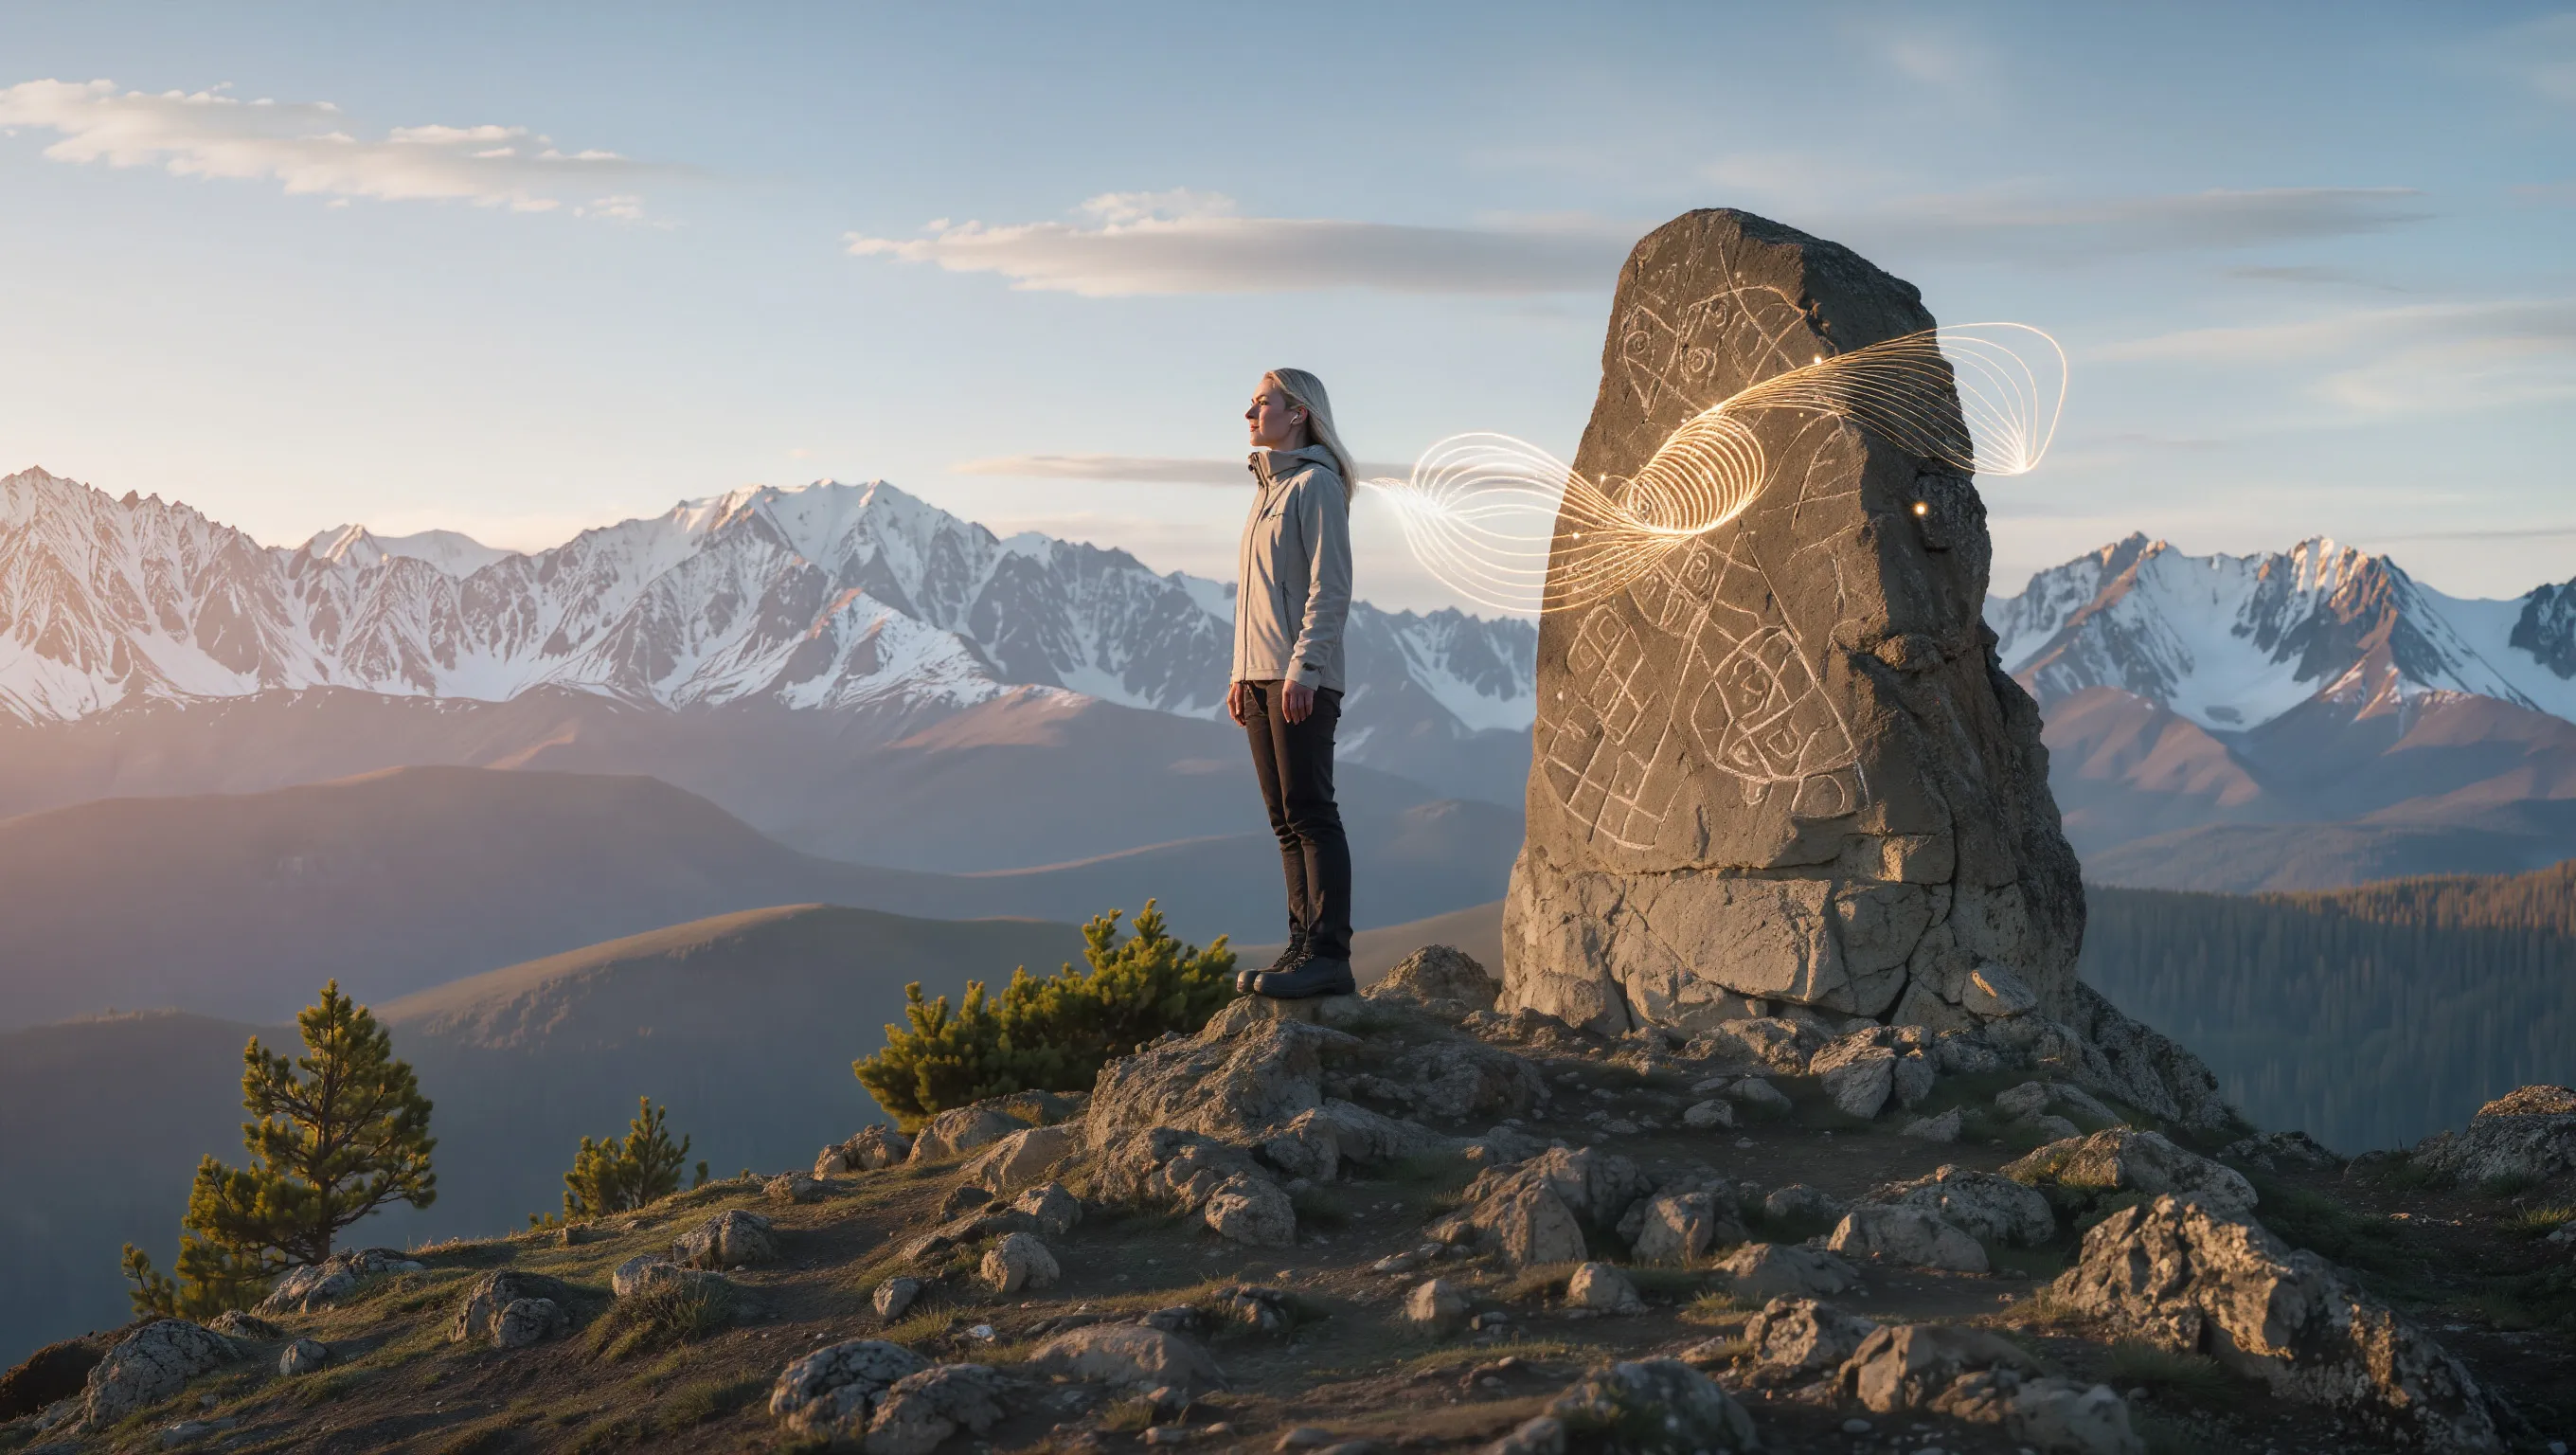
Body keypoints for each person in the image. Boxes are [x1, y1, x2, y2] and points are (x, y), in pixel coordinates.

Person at [1228, 368, 1357, 999]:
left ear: (1299, 412)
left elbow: (1328, 590)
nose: (1250, 414)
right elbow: (1254, 598)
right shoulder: (1266, 491)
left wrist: (1303, 670)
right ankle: (1301, 945)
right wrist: (1240, 673)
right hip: (1259, 679)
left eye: (1261, 403)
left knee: (1311, 812)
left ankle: (1330, 955)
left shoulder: (1316, 485)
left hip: (1299, 679)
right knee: (1283, 817)